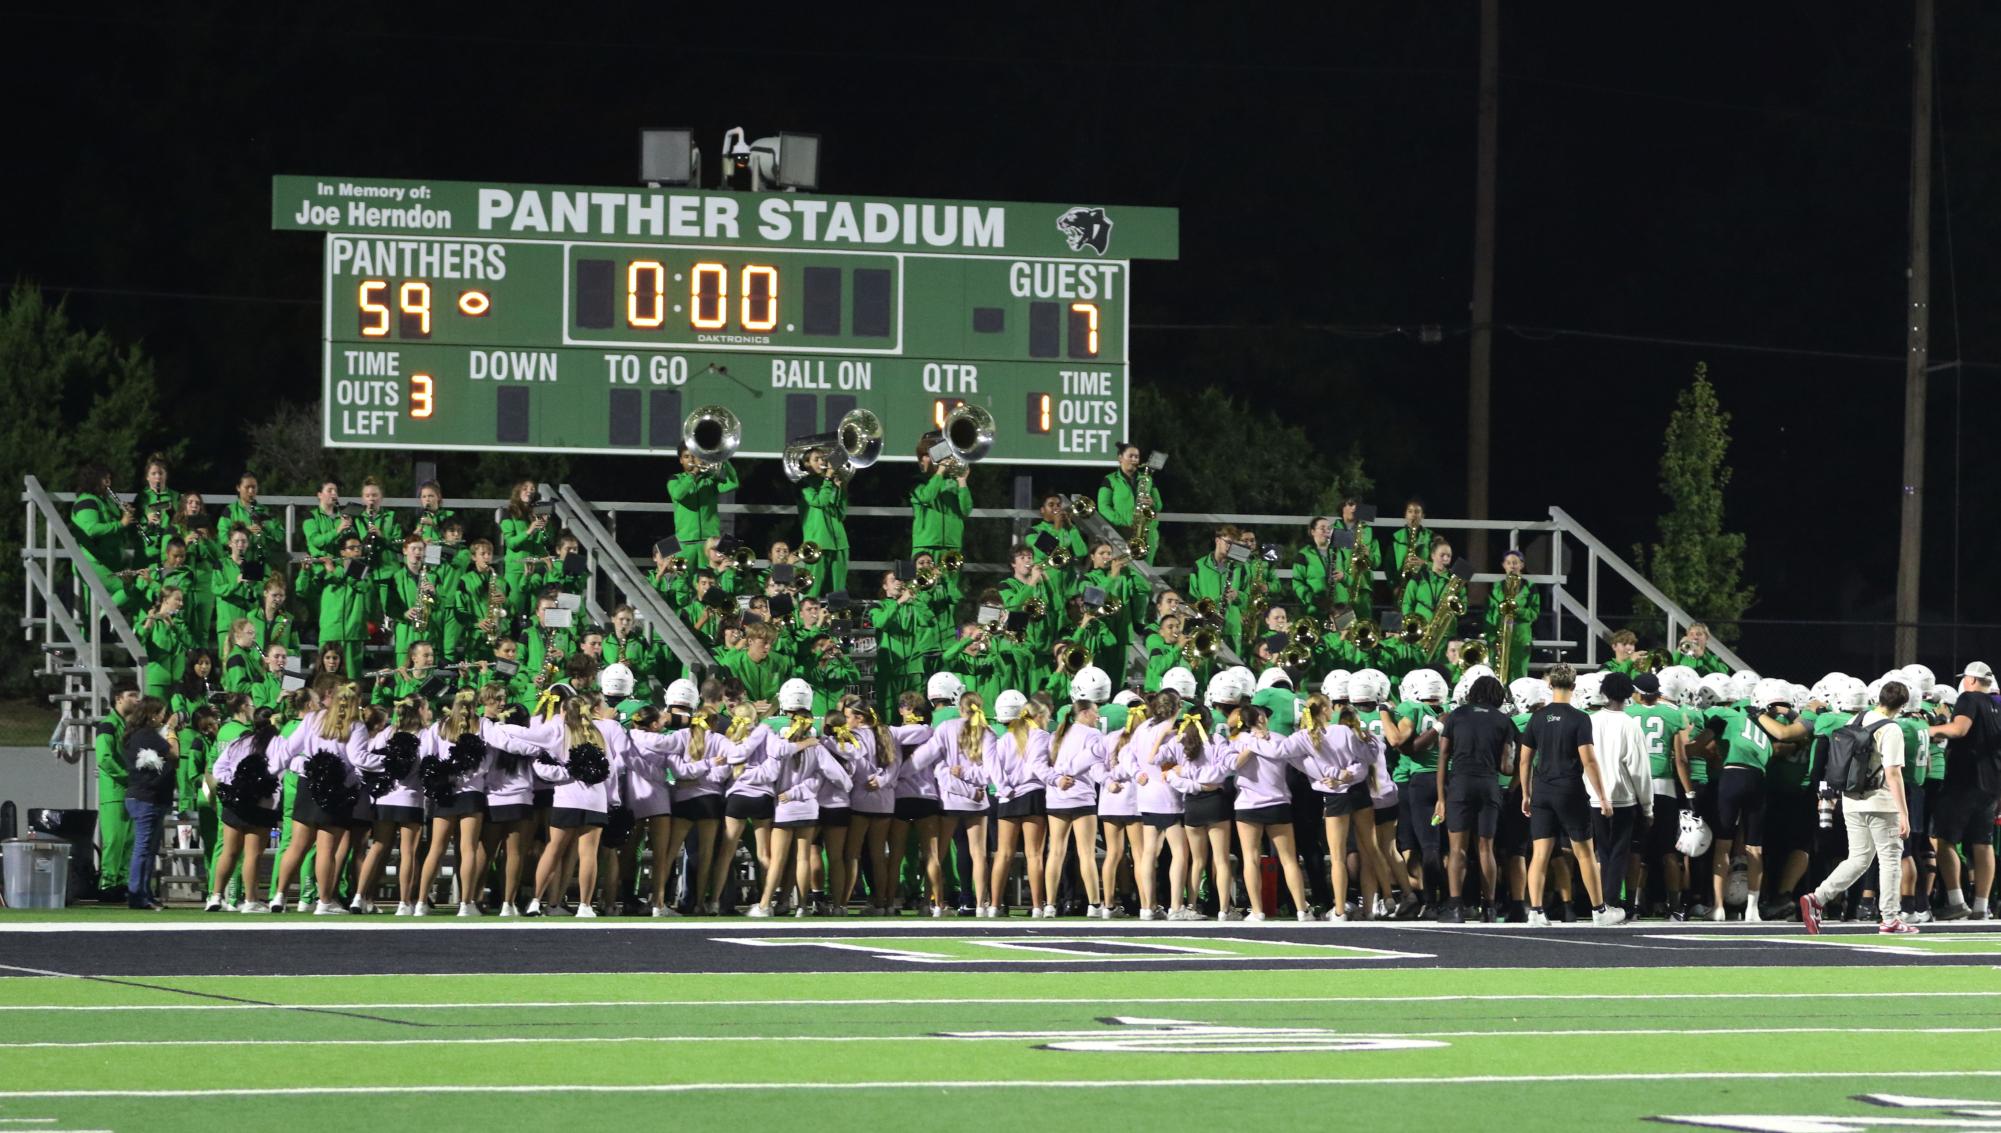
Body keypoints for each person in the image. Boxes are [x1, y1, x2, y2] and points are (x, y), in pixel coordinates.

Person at [1802, 680, 1918, 935]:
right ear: (1903, 704)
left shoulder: (1857, 719)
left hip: (1852, 799)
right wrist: (1904, 814)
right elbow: (1893, 773)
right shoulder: (1891, 729)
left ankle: (1817, 898)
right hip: (1881, 802)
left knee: (1858, 859)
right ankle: (1890, 918)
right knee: (1889, 859)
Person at [1519, 665, 1624, 926]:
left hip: (1542, 789)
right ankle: (1599, 911)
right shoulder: (1579, 718)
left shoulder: (1538, 717)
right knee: (1585, 853)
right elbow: (1588, 760)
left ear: (1550, 685)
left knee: (1540, 853)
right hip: (1569, 789)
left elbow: (1524, 760)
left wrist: (1526, 792)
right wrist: (1603, 795)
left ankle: (1536, 911)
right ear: (1573, 686)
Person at [1433, 674, 1517, 921]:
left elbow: (1443, 756)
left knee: (1457, 849)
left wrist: (1440, 798)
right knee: (1485, 848)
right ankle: (1489, 907)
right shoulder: (1503, 721)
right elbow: (1505, 766)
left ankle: (1456, 907)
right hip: (1488, 785)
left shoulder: (1457, 715)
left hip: (1460, 784)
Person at [1927, 660, 2001, 921]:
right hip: (1992, 783)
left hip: (1964, 780)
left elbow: (1959, 729)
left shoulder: (1969, 698)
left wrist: (1928, 730)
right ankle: (1982, 906)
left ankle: (1957, 901)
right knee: (1983, 843)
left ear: (1970, 680)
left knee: (1944, 839)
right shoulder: (1998, 704)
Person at [1587, 672, 1652, 917]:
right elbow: (1639, 769)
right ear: (1628, 693)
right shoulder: (1630, 724)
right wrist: (1648, 807)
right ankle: (1610, 903)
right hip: (1623, 797)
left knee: (1602, 852)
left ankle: (1600, 902)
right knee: (1618, 852)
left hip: (1595, 795)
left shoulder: (1591, 721)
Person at [118, 698, 181, 910]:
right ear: (152, 715)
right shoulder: (145, 735)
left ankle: (144, 893)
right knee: (144, 848)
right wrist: (171, 729)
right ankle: (137, 895)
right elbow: (174, 753)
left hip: (150, 797)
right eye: (161, 713)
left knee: (150, 849)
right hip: (146, 797)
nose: (163, 717)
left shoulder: (141, 735)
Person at [668, 443, 740, 557]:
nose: (691, 459)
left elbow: (733, 483)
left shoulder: (710, 480)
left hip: (710, 542)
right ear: (681, 460)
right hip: (685, 542)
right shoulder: (675, 479)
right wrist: (693, 474)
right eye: (686, 457)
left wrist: (724, 459)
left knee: (710, 574)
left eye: (694, 456)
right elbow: (678, 494)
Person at [796, 449, 850, 595]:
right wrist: (828, 479)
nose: (822, 462)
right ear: (806, 463)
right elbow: (819, 501)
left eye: (823, 459)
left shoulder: (829, 481)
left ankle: (838, 618)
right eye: (816, 459)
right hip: (817, 543)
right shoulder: (804, 484)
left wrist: (841, 489)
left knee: (838, 594)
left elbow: (840, 513)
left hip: (839, 542)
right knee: (812, 591)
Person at [910, 437, 974, 558]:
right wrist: (940, 471)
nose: (928, 458)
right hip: (925, 545)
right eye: (925, 455)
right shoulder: (917, 482)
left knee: (951, 578)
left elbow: (966, 510)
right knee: (924, 578)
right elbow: (926, 497)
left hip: (953, 546)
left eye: (931, 455)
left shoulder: (953, 482)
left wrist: (962, 481)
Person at [1096, 443, 1160, 562]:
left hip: (1147, 533)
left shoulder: (1148, 479)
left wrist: (1152, 503)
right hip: (1122, 533)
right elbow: (1103, 507)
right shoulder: (1110, 480)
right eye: (1131, 456)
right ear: (1120, 458)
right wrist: (1123, 524)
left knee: (1147, 572)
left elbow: (1159, 505)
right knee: (1123, 569)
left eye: (1137, 457)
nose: (1134, 459)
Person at [1482, 550, 1538, 682]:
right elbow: (1489, 613)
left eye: (1515, 563)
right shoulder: (1496, 587)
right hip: (1499, 637)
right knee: (1497, 675)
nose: (1512, 566)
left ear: (1522, 565)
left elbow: (1534, 613)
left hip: (1520, 638)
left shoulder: (1530, 587)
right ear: (1503, 565)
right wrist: (1491, 637)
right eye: (1508, 563)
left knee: (1518, 676)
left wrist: (1516, 610)